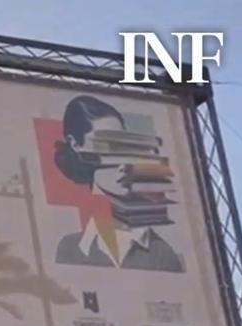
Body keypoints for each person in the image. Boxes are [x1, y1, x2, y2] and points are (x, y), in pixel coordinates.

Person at [51, 95, 185, 273]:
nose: (121, 161)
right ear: (76, 144)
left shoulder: (162, 253)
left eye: (122, 143)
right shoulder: (69, 249)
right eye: (106, 144)